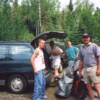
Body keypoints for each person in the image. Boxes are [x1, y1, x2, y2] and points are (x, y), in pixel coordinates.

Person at [79, 33, 100, 100]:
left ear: (89, 38)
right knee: (88, 87)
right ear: (82, 39)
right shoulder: (81, 48)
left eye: (87, 37)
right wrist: (80, 71)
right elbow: (81, 61)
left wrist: (99, 69)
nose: (85, 39)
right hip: (85, 69)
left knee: (97, 87)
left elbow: (98, 58)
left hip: (94, 68)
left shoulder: (94, 46)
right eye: (84, 37)